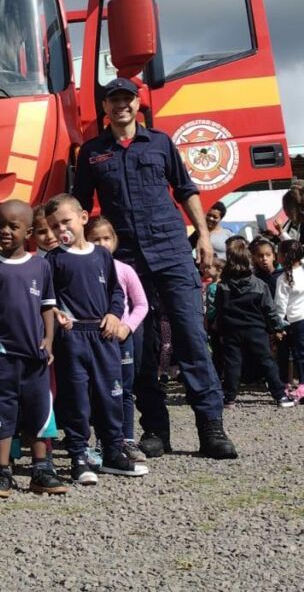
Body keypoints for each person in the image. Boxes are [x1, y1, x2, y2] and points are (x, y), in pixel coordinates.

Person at [73, 77, 236, 460]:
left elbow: (186, 190)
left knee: (192, 339)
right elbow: (81, 205)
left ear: (137, 104)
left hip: (172, 252)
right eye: (113, 101)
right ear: (105, 108)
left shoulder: (160, 143)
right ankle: (155, 430)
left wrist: (202, 237)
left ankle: (211, 428)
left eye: (127, 100)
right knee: (141, 347)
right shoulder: (93, 152)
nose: (121, 107)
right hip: (125, 260)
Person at [45, 194, 148, 484]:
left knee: (110, 394)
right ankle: (79, 455)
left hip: (104, 337)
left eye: (65, 221)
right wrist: (55, 313)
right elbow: (46, 296)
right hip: (72, 338)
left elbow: (117, 291)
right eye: (54, 226)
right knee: (76, 398)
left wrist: (116, 315)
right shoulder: (53, 259)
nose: (60, 229)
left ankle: (114, 452)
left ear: (82, 218)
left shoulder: (102, 255)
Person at [0, 200, 66, 499]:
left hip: (35, 356)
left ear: (28, 232)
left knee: (38, 410)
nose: (5, 231)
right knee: (1, 411)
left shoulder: (41, 265)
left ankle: (41, 469)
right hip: (0, 356)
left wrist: (49, 339)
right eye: (1, 225)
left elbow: (47, 307)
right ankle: (2, 471)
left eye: (13, 226)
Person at [85, 216, 149, 463]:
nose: (102, 243)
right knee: (99, 391)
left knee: (124, 390)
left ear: (115, 240)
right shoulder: (84, 268)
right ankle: (104, 440)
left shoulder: (124, 269)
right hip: (95, 340)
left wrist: (127, 327)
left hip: (122, 341)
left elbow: (141, 304)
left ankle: (128, 439)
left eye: (106, 238)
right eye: (95, 239)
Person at [212, 236, 292, 407]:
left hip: (231, 331)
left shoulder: (222, 286)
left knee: (232, 364)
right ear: (249, 260)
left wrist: (219, 330)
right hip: (256, 330)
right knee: (267, 361)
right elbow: (269, 311)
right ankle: (280, 396)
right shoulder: (259, 285)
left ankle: (230, 398)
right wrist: (276, 327)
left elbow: (219, 311)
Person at [250, 236, 288, 385]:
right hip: (263, 320)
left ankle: (284, 379)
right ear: (254, 258)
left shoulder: (283, 275)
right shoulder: (255, 279)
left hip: (282, 318)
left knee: (283, 350)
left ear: (274, 255)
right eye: (260, 256)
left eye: (268, 255)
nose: (264, 259)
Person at [274, 240, 304, 402]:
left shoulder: (283, 278)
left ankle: (285, 384)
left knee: (284, 354)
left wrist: (277, 326)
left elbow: (280, 305)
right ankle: (302, 386)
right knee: (301, 354)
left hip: (289, 321)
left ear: (284, 256)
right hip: (302, 319)